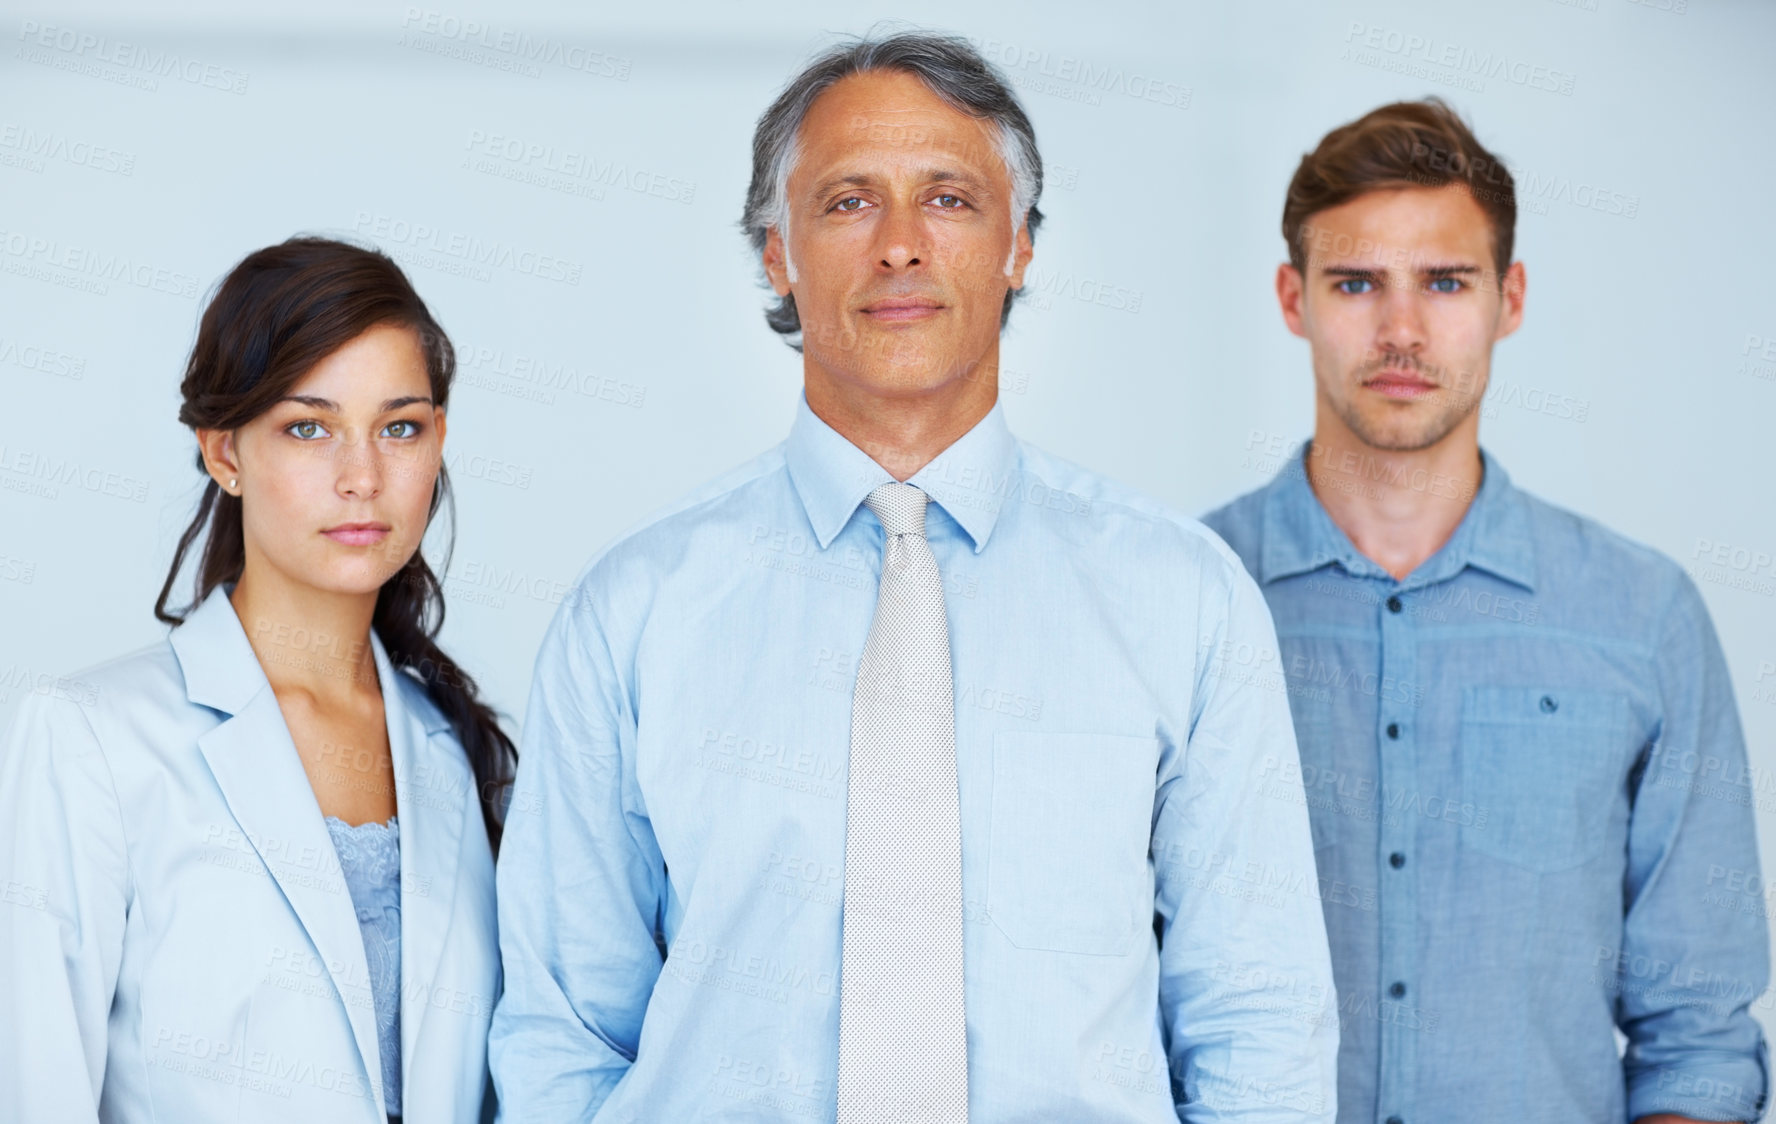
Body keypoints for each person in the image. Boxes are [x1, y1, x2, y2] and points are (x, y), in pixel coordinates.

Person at [490, 31, 1336, 1123]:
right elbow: (566, 1030)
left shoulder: (1184, 601)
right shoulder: (635, 611)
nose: (899, 246)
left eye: (948, 198)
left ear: (1018, 245)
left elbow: (1258, 1016)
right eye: (848, 202)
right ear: (775, 252)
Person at [1203, 99, 1770, 1124]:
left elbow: (1699, 1035)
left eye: (1446, 282)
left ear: (1510, 298)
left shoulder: (1643, 618)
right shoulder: (1183, 597)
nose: (1402, 329)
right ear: (1294, 299)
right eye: (1357, 282)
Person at [0, 237, 514, 1124]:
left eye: (400, 427)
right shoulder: (90, 739)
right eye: (307, 427)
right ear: (224, 453)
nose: (363, 478)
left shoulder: (454, 749)